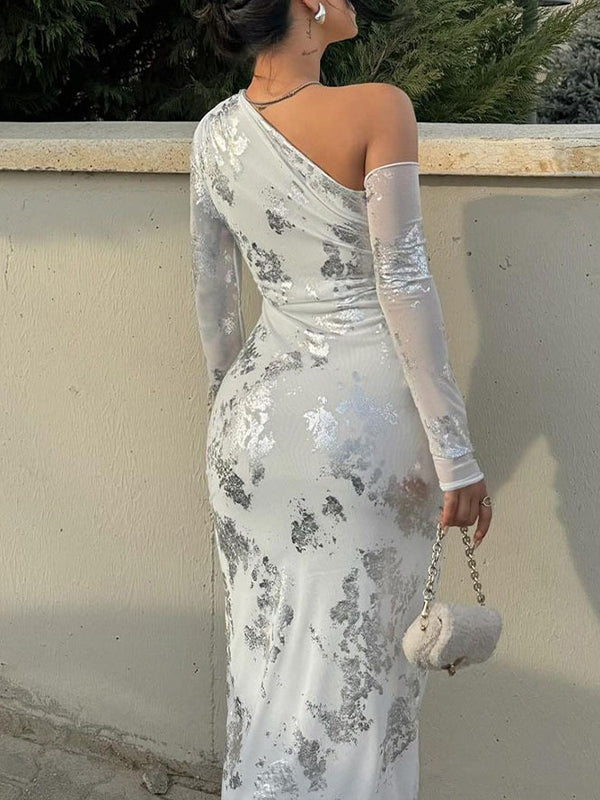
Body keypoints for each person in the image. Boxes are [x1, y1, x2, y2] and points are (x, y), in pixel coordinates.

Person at [190, 0, 493, 796]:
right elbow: (404, 283)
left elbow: (216, 299)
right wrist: (455, 454)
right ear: (304, 6)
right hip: (361, 433)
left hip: (249, 432)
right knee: (362, 681)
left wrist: (229, 417)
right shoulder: (378, 108)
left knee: (264, 669)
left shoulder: (213, 133)